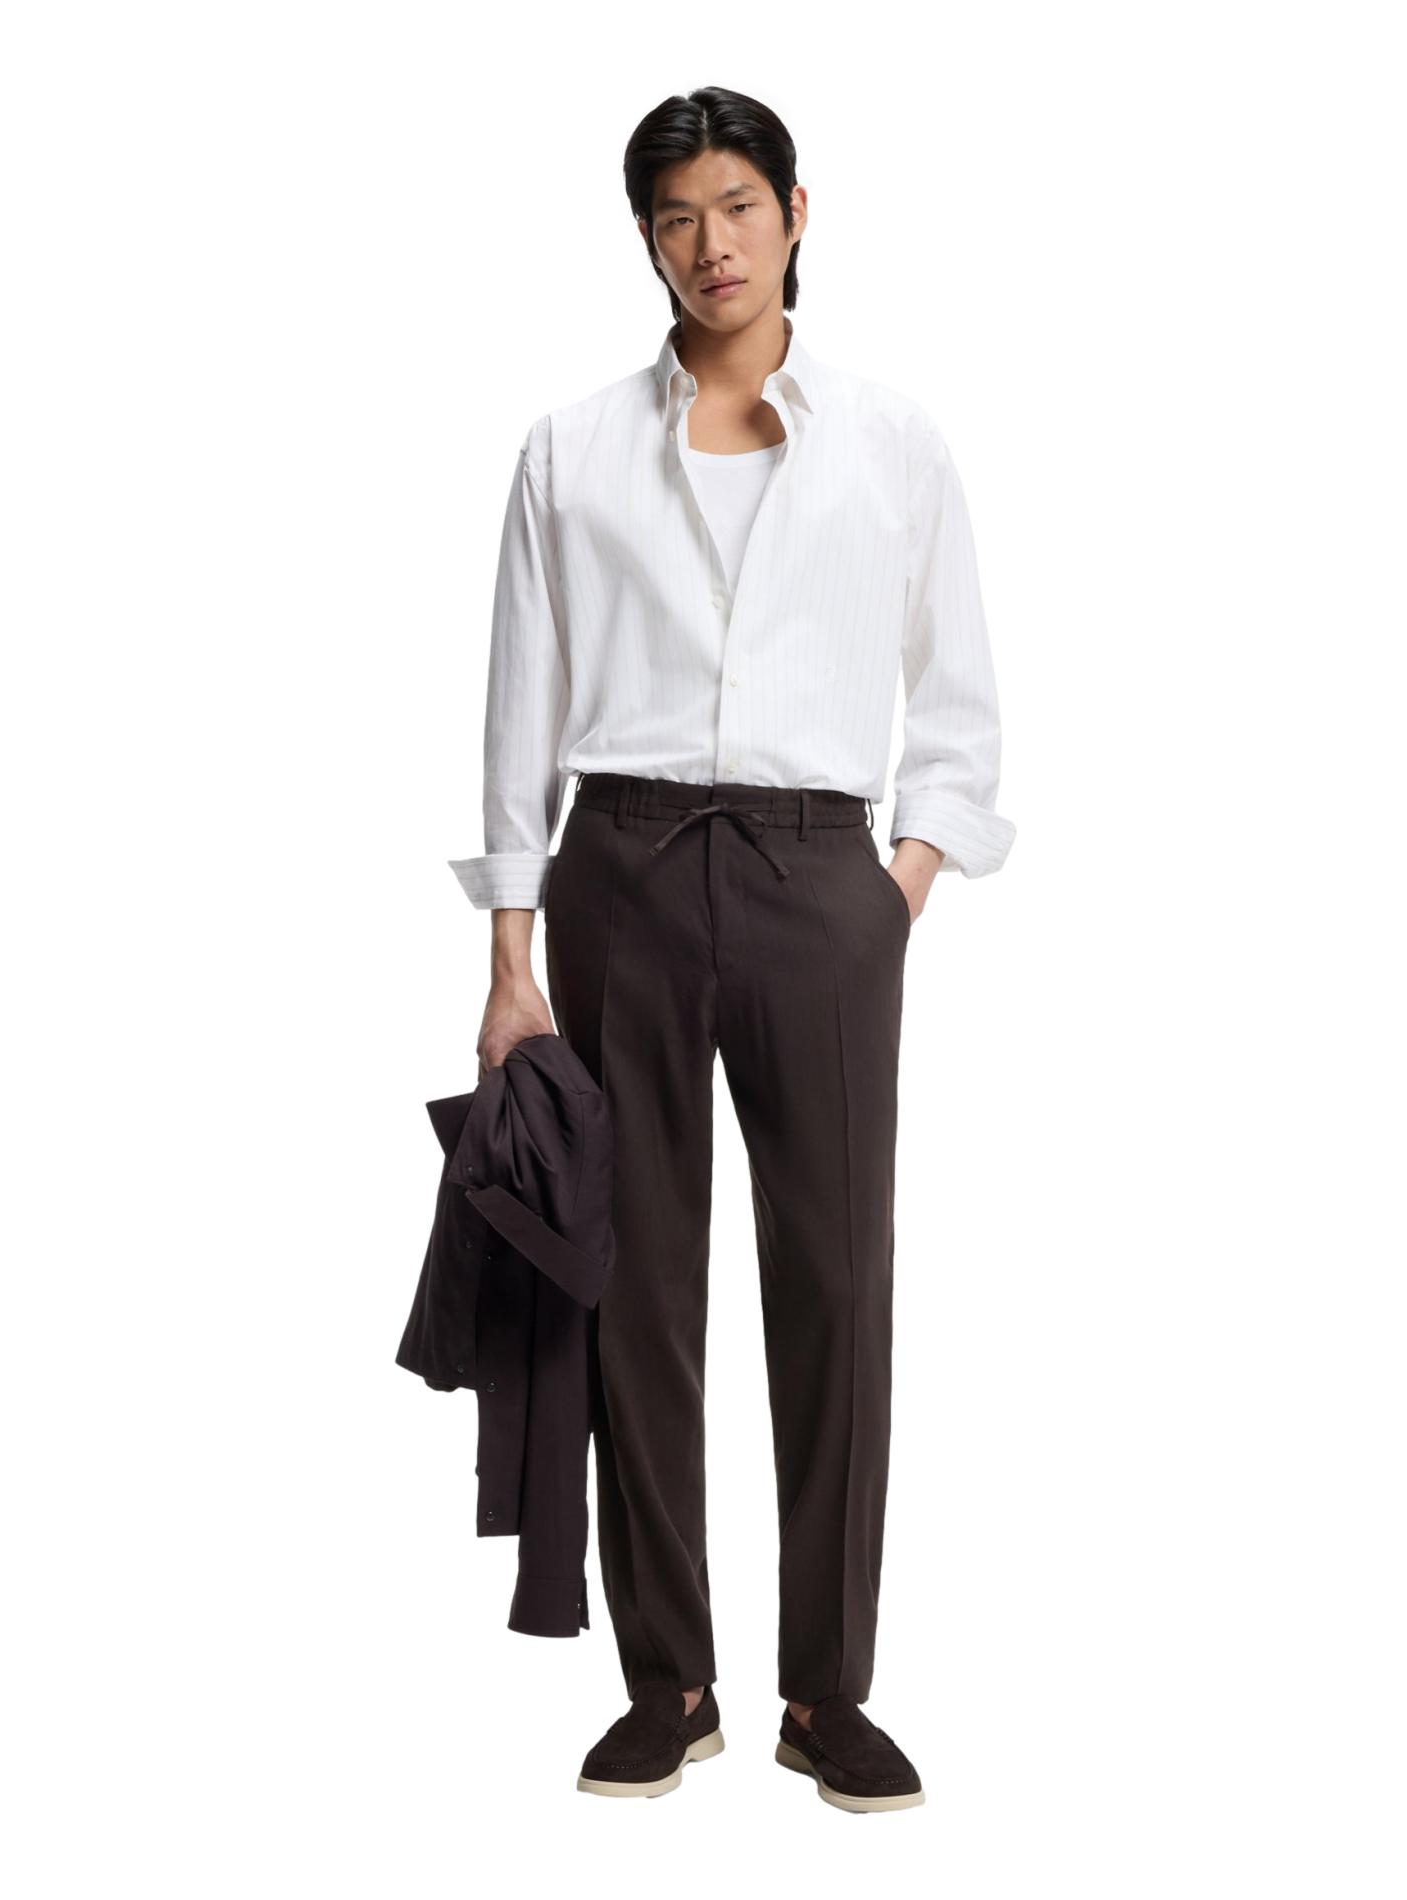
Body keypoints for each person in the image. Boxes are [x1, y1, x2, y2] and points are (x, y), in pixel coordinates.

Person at [445, 86, 1014, 1812]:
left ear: (796, 212)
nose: (713, 244)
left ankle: (827, 1694)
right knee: (633, 1283)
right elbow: (520, 708)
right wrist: (511, 955)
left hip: (820, 880)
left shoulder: (892, 442)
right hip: (616, 870)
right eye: (679, 216)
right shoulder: (568, 451)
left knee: (837, 1281)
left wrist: (895, 889)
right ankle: (668, 1683)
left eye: (740, 205)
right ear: (648, 240)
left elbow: (959, 704)